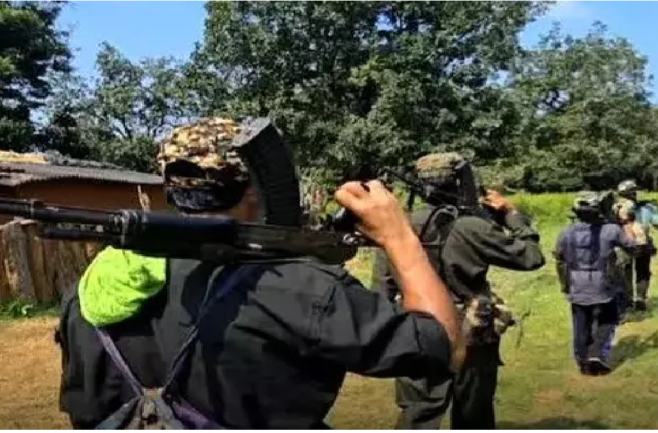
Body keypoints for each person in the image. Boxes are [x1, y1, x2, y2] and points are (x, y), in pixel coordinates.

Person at [57, 117, 464, 429]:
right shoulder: (303, 290)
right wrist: (399, 238)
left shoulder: (92, 287)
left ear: (171, 188)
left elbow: (84, 407)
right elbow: (445, 347)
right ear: (253, 187)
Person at [372, 153, 546, 430]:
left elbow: (381, 289)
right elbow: (531, 257)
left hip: (417, 330)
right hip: (471, 334)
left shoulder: (398, 229)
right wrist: (510, 214)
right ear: (459, 183)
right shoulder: (473, 227)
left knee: (417, 414)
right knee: (473, 414)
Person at [555, 192, 635, 375]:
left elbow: (559, 259)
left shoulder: (566, 232)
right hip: (603, 283)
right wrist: (623, 224)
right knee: (609, 318)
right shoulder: (611, 230)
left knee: (581, 324)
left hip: (576, 283)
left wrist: (564, 284)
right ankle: (597, 353)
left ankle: (583, 361)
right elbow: (632, 247)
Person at [613, 180, 657, 312]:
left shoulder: (614, 207)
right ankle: (640, 298)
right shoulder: (646, 207)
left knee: (625, 273)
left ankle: (627, 301)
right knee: (643, 271)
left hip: (623, 244)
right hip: (642, 244)